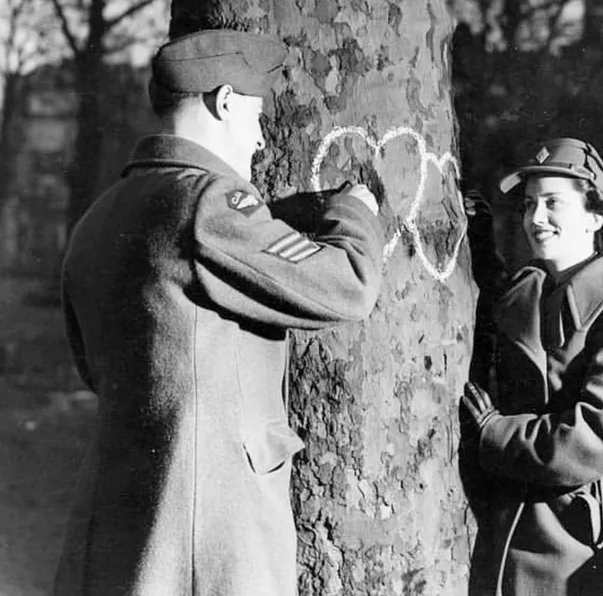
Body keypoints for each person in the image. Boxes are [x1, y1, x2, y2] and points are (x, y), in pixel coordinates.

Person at [53, 30, 384, 596]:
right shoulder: (208, 202)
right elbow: (347, 286)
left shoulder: (99, 217)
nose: (258, 139)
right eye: (256, 117)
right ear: (225, 101)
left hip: (123, 516)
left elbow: (92, 364)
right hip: (206, 533)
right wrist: (355, 213)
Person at [462, 138, 603, 595]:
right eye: (530, 203)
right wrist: (475, 239)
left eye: (553, 203)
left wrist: (495, 433)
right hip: (525, 528)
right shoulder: (534, 287)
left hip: (587, 543)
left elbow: (591, 440)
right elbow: (513, 312)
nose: (535, 218)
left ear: (597, 217)